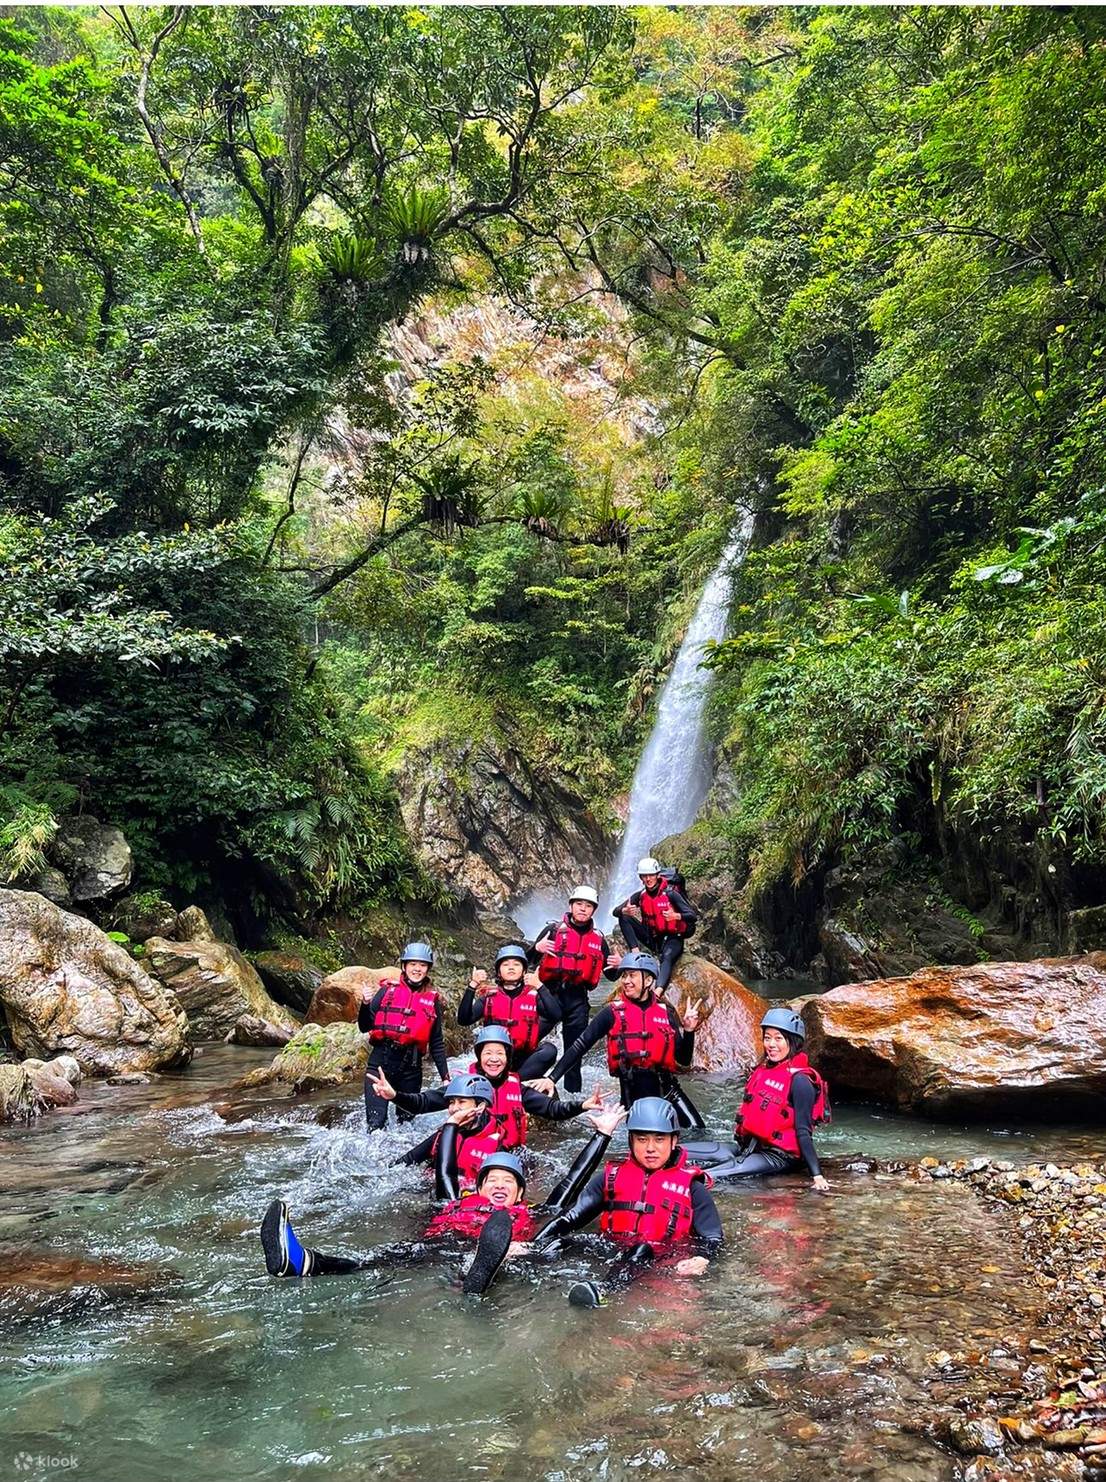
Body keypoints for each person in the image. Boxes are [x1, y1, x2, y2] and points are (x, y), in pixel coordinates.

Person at [527, 1097, 723, 1308]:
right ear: (631, 1140)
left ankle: (602, 1291)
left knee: (641, 1250)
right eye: (641, 1139)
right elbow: (570, 1218)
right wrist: (529, 1245)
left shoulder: (693, 1187)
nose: (650, 1148)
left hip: (656, 1258)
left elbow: (712, 1238)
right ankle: (521, 1272)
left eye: (659, 1139)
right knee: (559, 1242)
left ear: (673, 1141)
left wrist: (702, 1258)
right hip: (609, 1249)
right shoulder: (611, 1177)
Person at [260, 1151, 538, 1297]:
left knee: (505, 1253)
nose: (500, 1185)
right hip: (440, 1245)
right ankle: (304, 1262)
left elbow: (526, 1242)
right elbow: (443, 1174)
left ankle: (476, 1278)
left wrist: (516, 1247)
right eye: (493, 1180)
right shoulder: (460, 1203)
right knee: (376, 1259)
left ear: (520, 1194)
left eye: (508, 1181)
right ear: (479, 1188)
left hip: (487, 1250)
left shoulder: (520, 1214)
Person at [530, 951, 705, 1127]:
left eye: (632, 976)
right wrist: (552, 1078)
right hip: (633, 1099)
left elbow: (683, 1059)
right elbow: (579, 1046)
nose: (626, 981)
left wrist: (689, 1031)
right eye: (623, 976)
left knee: (699, 1131)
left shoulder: (666, 1012)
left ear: (649, 981)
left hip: (669, 1092)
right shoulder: (612, 1012)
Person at [368, 1025, 607, 1151]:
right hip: (468, 1159)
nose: (494, 1059)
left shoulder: (518, 1088)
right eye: (488, 1053)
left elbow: (553, 1109)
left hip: (506, 1158)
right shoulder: (463, 1086)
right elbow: (423, 1103)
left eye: (500, 1053)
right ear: (479, 1057)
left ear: (508, 1057)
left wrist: (583, 1105)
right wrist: (394, 1095)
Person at [680, 1008, 831, 1191]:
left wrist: (817, 1175)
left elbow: (803, 1132)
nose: (771, 1044)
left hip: (778, 1156)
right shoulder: (765, 1070)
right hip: (749, 1147)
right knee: (675, 1151)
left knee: (701, 1177)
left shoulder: (800, 1081)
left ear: (793, 1041)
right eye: (767, 1038)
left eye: (778, 1038)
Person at [531, 885, 621, 1094]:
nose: (583, 909)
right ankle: (518, 1082)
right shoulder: (553, 930)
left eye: (588, 906)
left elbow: (611, 975)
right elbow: (526, 961)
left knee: (575, 1054)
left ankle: (572, 1098)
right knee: (527, 1040)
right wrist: (536, 949)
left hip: (578, 1000)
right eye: (579, 904)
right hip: (549, 996)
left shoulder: (599, 939)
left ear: (594, 910)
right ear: (571, 906)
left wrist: (618, 966)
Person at [357, 942, 450, 1132]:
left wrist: (445, 1077)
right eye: (413, 964)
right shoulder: (386, 991)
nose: (417, 969)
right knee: (375, 1126)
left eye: (422, 965)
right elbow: (364, 1026)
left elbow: (436, 1042)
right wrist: (365, 1004)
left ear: (428, 969)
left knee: (406, 1126)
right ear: (404, 966)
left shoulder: (432, 1000)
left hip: (411, 1068)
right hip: (380, 1063)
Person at [456, 944, 561, 1079]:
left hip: (523, 1059)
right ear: (499, 972)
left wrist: (539, 986)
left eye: (516, 964)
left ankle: (515, 1082)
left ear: (524, 971)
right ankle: (497, 1078)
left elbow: (556, 1015)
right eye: (505, 964)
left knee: (549, 1050)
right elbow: (463, 1020)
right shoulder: (489, 996)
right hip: (495, 1057)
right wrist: (472, 985)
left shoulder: (533, 995)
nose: (511, 967)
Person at [613, 857, 698, 993]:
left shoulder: (671, 894)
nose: (648, 879)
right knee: (624, 917)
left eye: (651, 875)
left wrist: (676, 916)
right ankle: (636, 954)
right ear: (641, 878)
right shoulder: (640, 895)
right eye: (644, 876)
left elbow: (692, 916)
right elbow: (615, 912)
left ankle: (657, 992)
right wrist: (624, 910)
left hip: (673, 938)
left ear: (658, 875)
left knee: (667, 957)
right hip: (653, 938)